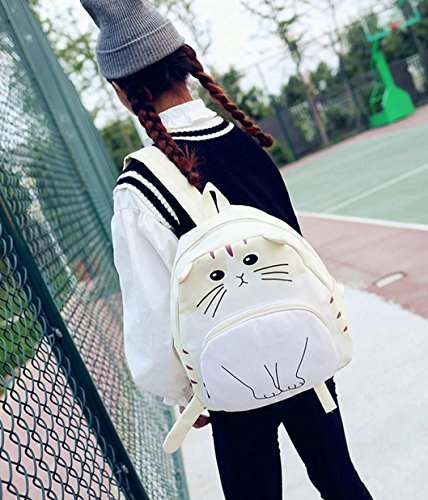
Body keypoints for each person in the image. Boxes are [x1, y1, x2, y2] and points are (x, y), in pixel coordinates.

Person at [81, 1, 373, 498]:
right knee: (339, 477)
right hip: (303, 344)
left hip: (229, 373)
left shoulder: (139, 185)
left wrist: (181, 389)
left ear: (122, 92)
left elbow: (153, 308)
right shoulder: (244, 141)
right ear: (186, 65)